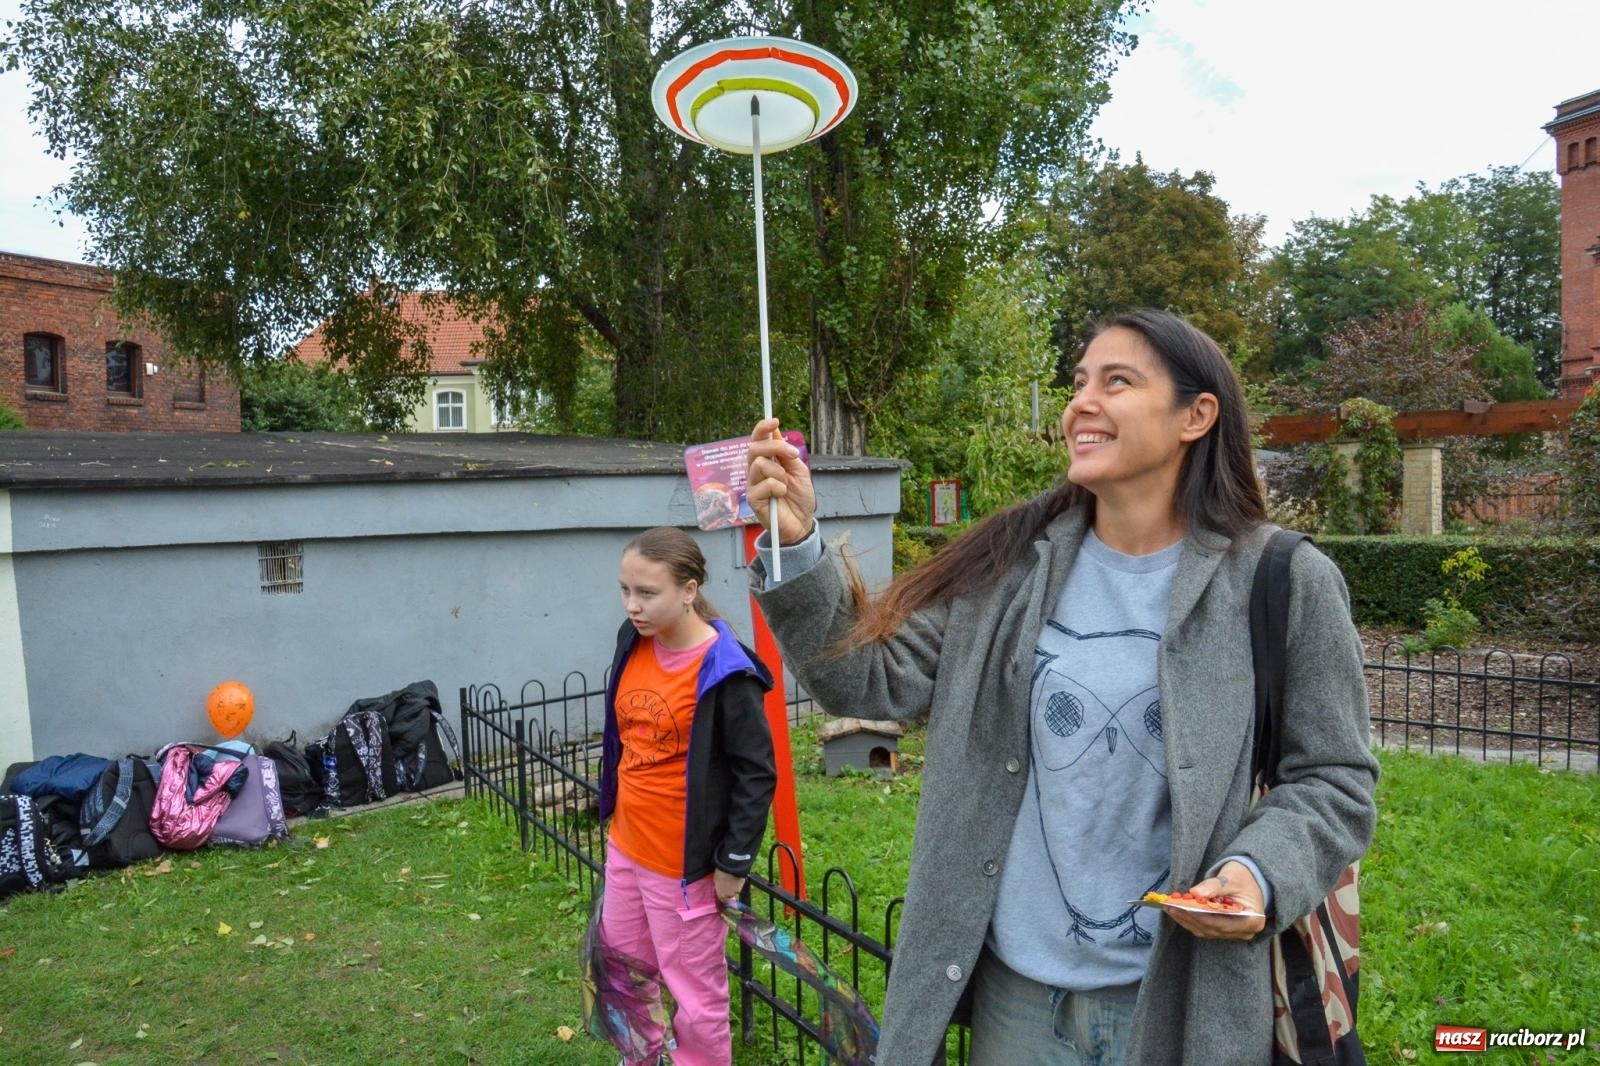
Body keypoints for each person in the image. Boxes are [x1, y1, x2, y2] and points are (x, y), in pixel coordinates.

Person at [743, 309, 1378, 1066]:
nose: (1082, 402)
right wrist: (798, 545)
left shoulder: (1282, 580)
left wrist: (1257, 872)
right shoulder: (1009, 567)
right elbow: (862, 680)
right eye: (1079, 382)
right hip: (1020, 1004)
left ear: (1196, 415)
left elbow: (1335, 780)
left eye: (1118, 381)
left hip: (1185, 998)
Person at [597, 527, 778, 1066]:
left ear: (689, 589)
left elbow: (756, 774)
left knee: (696, 999)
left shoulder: (726, 672)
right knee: (625, 976)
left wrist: (733, 861)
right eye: (626, 589)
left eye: (647, 593)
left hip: (685, 868)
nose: (633, 605)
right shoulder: (634, 641)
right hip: (626, 849)